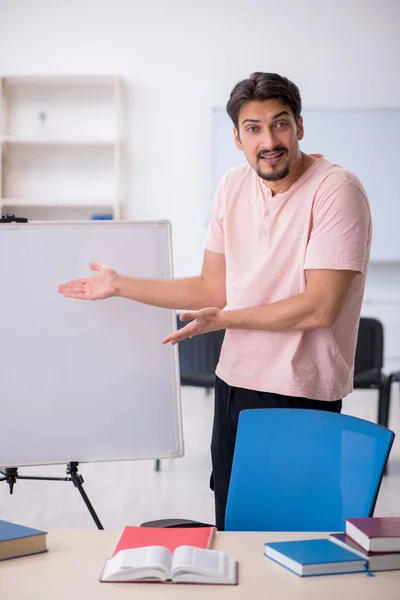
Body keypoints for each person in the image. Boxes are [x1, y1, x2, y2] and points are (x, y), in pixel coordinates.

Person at [58, 72, 372, 530]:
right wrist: (121, 284)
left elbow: (320, 306)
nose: (269, 140)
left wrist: (226, 319)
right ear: (237, 137)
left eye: (280, 124)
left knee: (294, 533)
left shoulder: (336, 191)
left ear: (300, 126)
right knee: (233, 525)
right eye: (254, 128)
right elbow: (211, 286)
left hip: (301, 391)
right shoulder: (233, 185)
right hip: (236, 385)